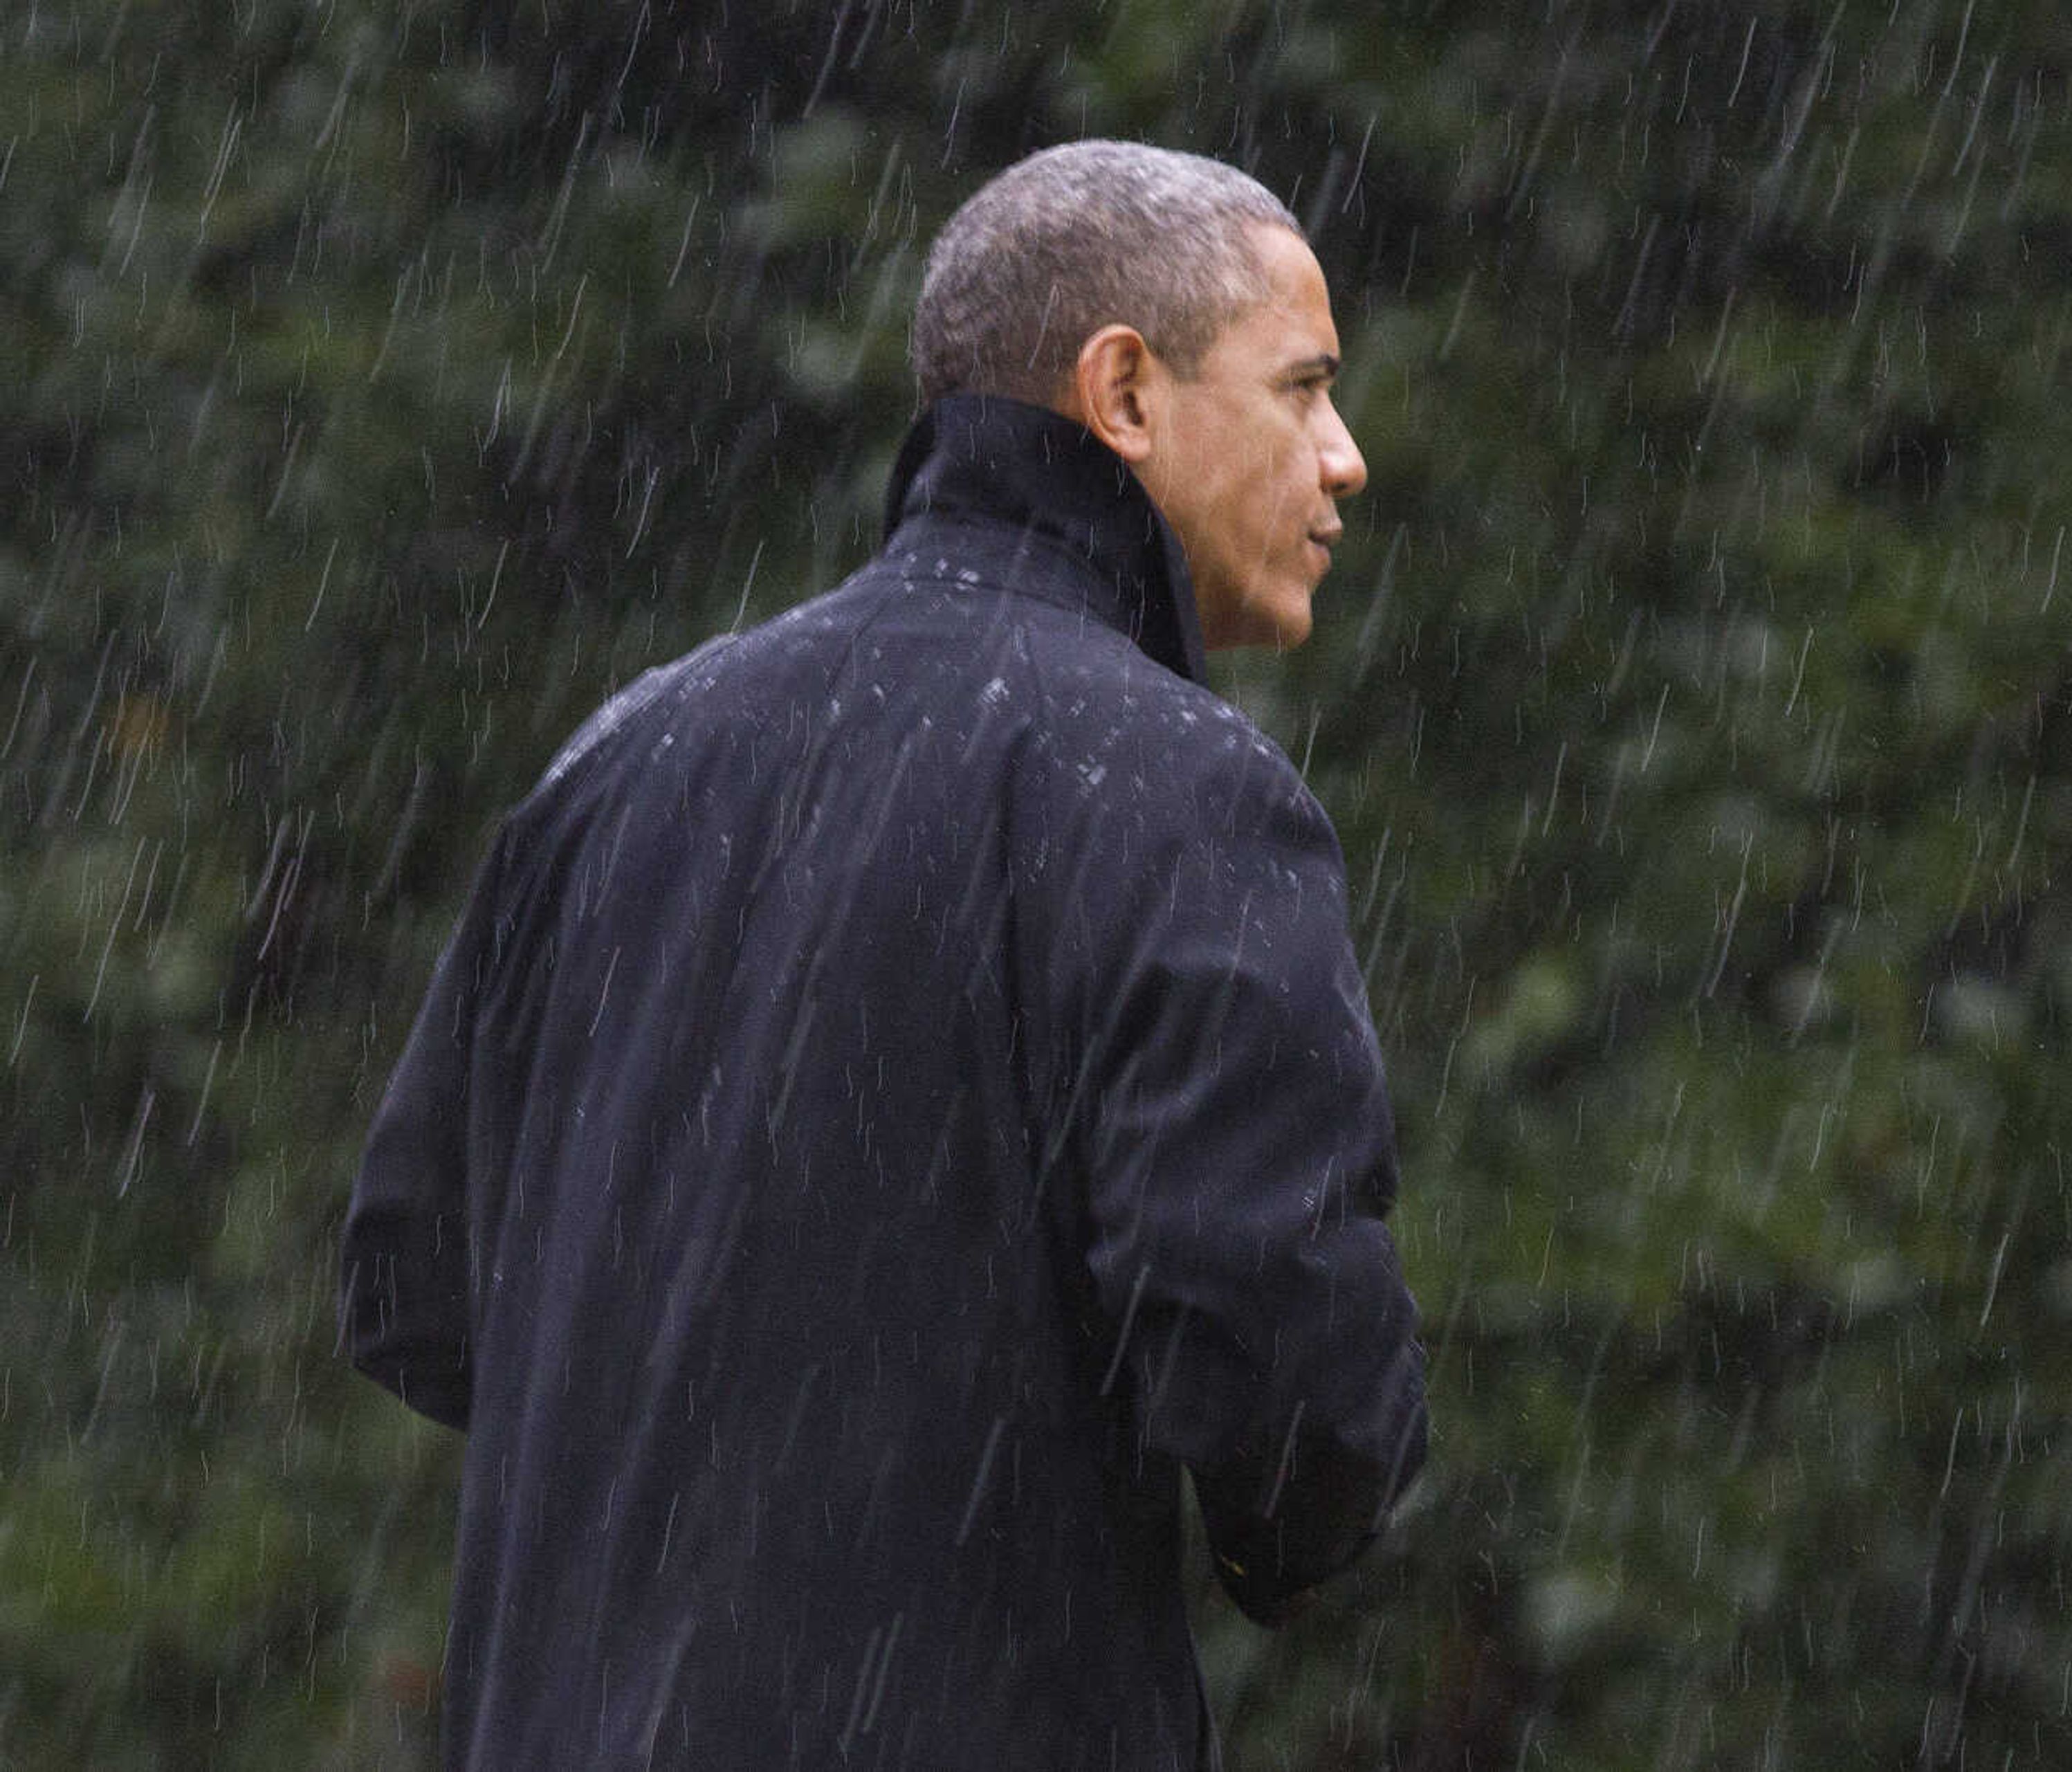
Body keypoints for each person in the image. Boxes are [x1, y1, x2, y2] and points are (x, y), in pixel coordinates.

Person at [340, 140, 1427, 1770]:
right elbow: (1282, 1379)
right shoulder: (1174, 791)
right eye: (1304, 389)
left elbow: (414, 1294)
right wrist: (1291, 1523)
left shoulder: (623, 763)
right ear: (1124, 392)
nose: (1344, 460)